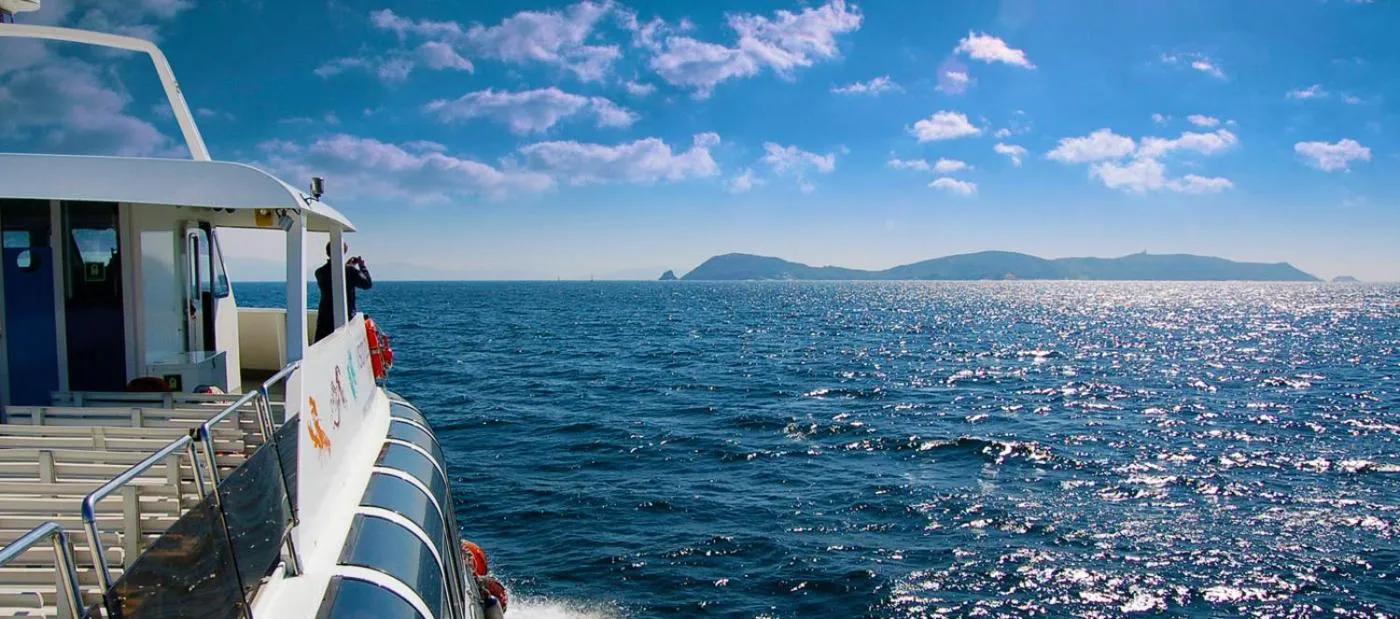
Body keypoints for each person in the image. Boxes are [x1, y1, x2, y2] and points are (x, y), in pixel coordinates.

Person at [315, 241, 373, 342]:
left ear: (327, 252)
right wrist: (362, 266)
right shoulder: (350, 272)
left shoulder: (319, 272)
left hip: (324, 321)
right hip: (344, 320)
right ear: (343, 252)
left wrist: (348, 265)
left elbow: (337, 275)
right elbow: (367, 284)